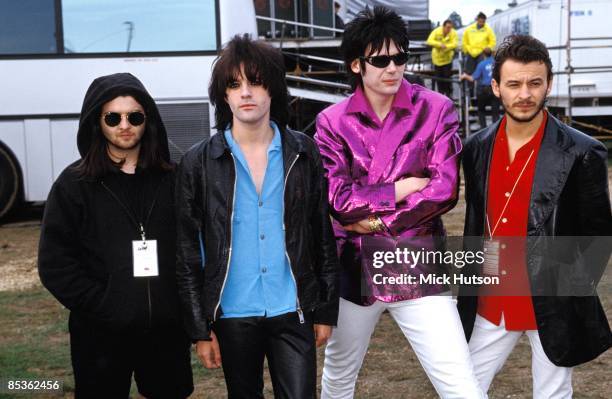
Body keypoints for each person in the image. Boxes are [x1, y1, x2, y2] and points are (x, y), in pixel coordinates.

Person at [314, 7, 485, 398]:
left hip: (417, 265)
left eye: (400, 57)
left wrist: (374, 222)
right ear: (357, 64)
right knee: (338, 379)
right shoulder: (332, 122)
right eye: (380, 60)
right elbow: (339, 201)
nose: (393, 68)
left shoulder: (436, 109)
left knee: (460, 382)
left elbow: (443, 191)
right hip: (353, 269)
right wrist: (400, 189)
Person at [175, 34, 339, 398]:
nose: (245, 92)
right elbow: (187, 252)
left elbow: (320, 232)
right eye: (234, 84)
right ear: (224, 94)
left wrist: (325, 309)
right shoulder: (198, 162)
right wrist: (199, 328)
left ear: (273, 89)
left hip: (292, 306)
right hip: (232, 311)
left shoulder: (302, 150)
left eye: (256, 81)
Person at [459, 35, 612, 398]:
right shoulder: (476, 148)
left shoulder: (583, 151)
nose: (524, 93)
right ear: (495, 87)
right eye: (513, 84)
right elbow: (476, 222)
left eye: (534, 83)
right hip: (490, 299)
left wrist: (567, 290)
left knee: (553, 393)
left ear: (549, 84)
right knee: (461, 388)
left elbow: (598, 235)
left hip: (552, 301)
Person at [38, 73, 193, 399]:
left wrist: (179, 307)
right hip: (100, 334)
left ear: (147, 121)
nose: (125, 125)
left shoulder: (173, 180)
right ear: (98, 122)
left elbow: (192, 248)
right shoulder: (73, 185)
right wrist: (106, 304)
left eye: (134, 116)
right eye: (113, 117)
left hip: (165, 332)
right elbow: (55, 264)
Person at [460, 48, 500, 129]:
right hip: (495, 89)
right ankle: (496, 130)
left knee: (481, 110)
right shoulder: (497, 64)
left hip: (483, 90)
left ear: (483, 55)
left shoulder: (481, 64)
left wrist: (464, 76)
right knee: (495, 112)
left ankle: (484, 129)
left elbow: (472, 78)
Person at [462, 12, 496, 96]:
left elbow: (493, 41)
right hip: (471, 53)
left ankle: (480, 92)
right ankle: (470, 92)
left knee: (481, 72)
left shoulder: (488, 30)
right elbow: (464, 41)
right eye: (480, 21)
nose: (482, 23)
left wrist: (488, 48)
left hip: (481, 53)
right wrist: (466, 50)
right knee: (469, 72)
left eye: (483, 22)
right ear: (477, 20)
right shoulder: (469, 29)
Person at [426, 19, 458, 98]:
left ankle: (449, 96)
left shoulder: (453, 32)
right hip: (437, 60)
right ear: (443, 26)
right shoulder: (436, 31)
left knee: (447, 78)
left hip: (447, 60)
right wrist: (439, 44)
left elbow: (455, 44)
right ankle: (440, 96)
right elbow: (429, 41)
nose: (449, 29)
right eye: (447, 27)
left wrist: (446, 47)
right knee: (439, 79)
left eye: (450, 27)